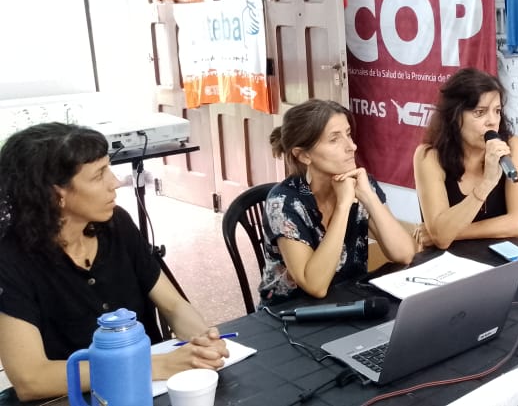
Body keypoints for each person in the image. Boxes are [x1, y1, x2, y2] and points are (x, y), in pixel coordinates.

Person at [0, 123, 229, 401]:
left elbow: (173, 305)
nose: (115, 182)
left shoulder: (116, 224)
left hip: (146, 392)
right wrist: (149, 367)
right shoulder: (10, 259)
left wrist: (203, 339)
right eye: (99, 175)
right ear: (55, 193)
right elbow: (31, 379)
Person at [258, 100, 415, 305]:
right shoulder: (284, 202)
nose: (352, 146)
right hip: (290, 312)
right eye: (334, 139)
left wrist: (368, 196)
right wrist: (343, 206)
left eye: (348, 134)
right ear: (304, 155)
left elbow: (405, 254)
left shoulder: (359, 184)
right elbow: (315, 286)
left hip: (348, 301)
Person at [412, 68, 518, 250]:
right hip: (448, 262)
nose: (492, 121)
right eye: (480, 112)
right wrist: (487, 183)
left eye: (497, 111)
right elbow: (442, 239)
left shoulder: (513, 147)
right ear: (455, 116)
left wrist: (448, 233)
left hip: (501, 257)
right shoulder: (428, 156)